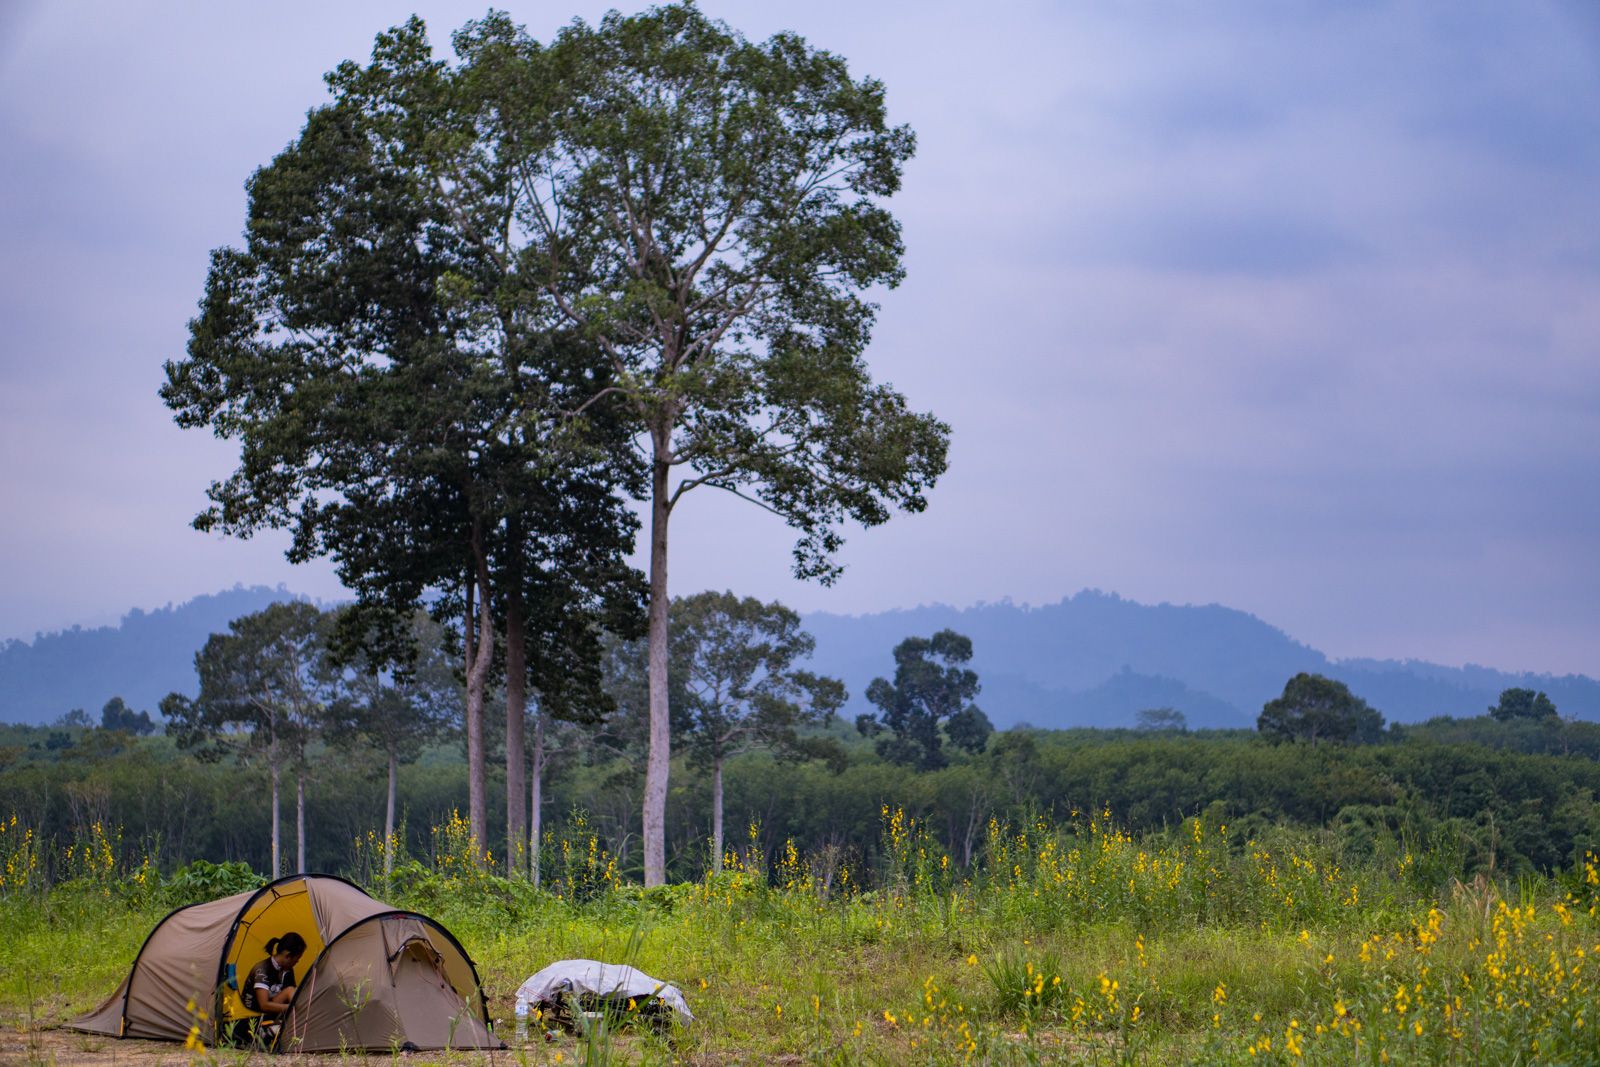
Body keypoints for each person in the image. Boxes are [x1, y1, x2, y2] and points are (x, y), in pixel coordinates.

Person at [241, 933, 306, 1019]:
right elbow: (264, 1005)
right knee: (293, 998)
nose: (297, 962)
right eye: (297, 959)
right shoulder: (261, 969)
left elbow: (292, 994)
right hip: (253, 1015)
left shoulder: (287, 969)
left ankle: (303, 1018)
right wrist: (292, 1008)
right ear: (288, 956)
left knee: (291, 990)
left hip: (272, 1011)